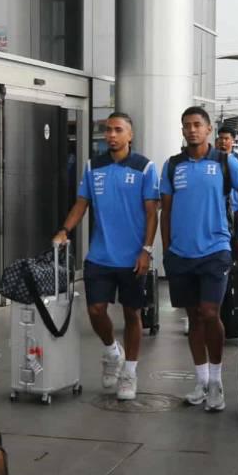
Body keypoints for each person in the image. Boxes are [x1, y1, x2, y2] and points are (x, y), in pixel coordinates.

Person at [162, 107, 238, 412]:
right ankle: (201, 380)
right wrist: (166, 250)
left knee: (210, 312)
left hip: (216, 249)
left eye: (197, 125)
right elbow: (165, 211)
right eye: (186, 126)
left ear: (208, 130)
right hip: (181, 254)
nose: (191, 130)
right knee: (193, 317)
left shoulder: (225, 162)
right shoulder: (172, 166)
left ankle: (217, 381)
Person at [52, 112, 159, 400]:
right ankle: (112, 352)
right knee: (96, 310)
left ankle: (130, 373)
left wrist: (146, 251)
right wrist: (65, 230)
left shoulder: (145, 168)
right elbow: (81, 204)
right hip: (100, 256)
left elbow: (152, 214)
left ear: (129, 135)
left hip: (133, 259)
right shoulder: (92, 166)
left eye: (118, 130)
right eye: (108, 130)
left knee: (132, 314)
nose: (111, 135)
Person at [216, 126, 238, 262]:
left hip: (235, 210)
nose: (223, 142)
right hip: (219, 211)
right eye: (221, 138)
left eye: (226, 138)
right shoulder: (213, 159)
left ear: (232, 140)